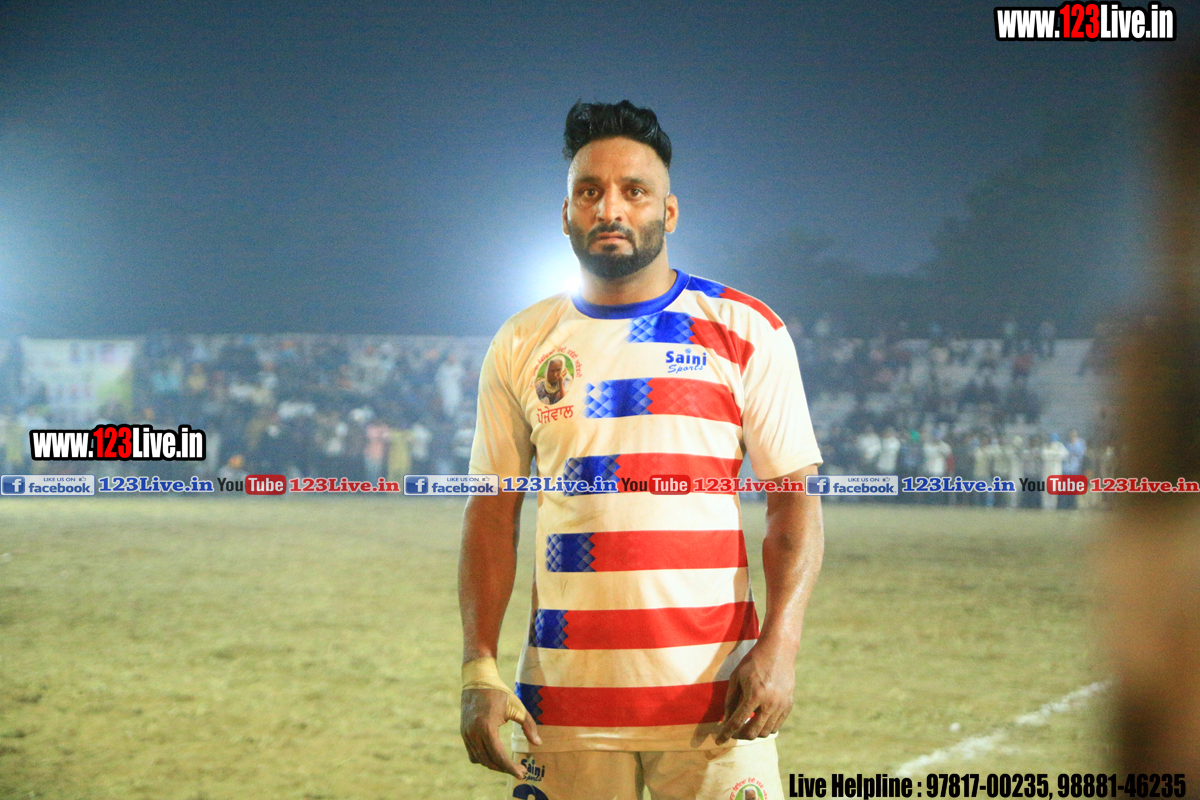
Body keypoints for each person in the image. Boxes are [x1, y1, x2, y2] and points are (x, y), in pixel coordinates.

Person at [459, 100, 825, 800]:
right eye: (589, 192)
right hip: (562, 710)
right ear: (565, 214)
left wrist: (780, 647)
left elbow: (794, 507)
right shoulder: (521, 342)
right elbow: (491, 514)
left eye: (634, 191)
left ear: (670, 211)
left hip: (718, 705)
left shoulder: (745, 330)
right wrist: (479, 668)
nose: (610, 209)